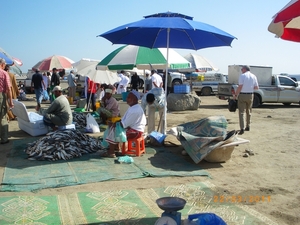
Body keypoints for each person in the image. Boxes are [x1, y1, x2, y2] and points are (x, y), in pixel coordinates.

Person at [104, 90, 146, 158]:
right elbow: (123, 120)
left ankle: (111, 152)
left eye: (129, 97)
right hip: (133, 128)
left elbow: (124, 124)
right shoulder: (133, 107)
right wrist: (115, 123)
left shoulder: (134, 110)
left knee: (114, 131)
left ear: (134, 99)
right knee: (113, 127)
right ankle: (116, 148)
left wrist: (114, 125)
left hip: (136, 132)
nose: (127, 99)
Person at [233, 65, 259, 135]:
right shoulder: (254, 76)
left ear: (244, 69)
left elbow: (240, 86)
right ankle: (248, 125)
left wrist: (235, 95)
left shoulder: (242, 76)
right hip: (251, 94)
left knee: (241, 112)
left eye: (242, 69)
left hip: (242, 94)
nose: (241, 70)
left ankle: (242, 128)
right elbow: (256, 87)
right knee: (249, 111)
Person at [0, 58, 13, 144]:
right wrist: (10, 102)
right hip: (1, 96)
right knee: (2, 117)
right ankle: (4, 139)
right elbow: (8, 89)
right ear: (2, 64)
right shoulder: (4, 73)